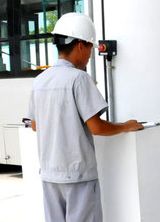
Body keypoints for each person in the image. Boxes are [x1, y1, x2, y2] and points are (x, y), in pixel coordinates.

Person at [27, 12, 143, 222]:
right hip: (78, 175)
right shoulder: (79, 79)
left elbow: (35, 125)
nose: (91, 53)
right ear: (79, 45)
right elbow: (97, 127)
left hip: (49, 175)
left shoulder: (40, 80)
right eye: (90, 46)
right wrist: (125, 126)